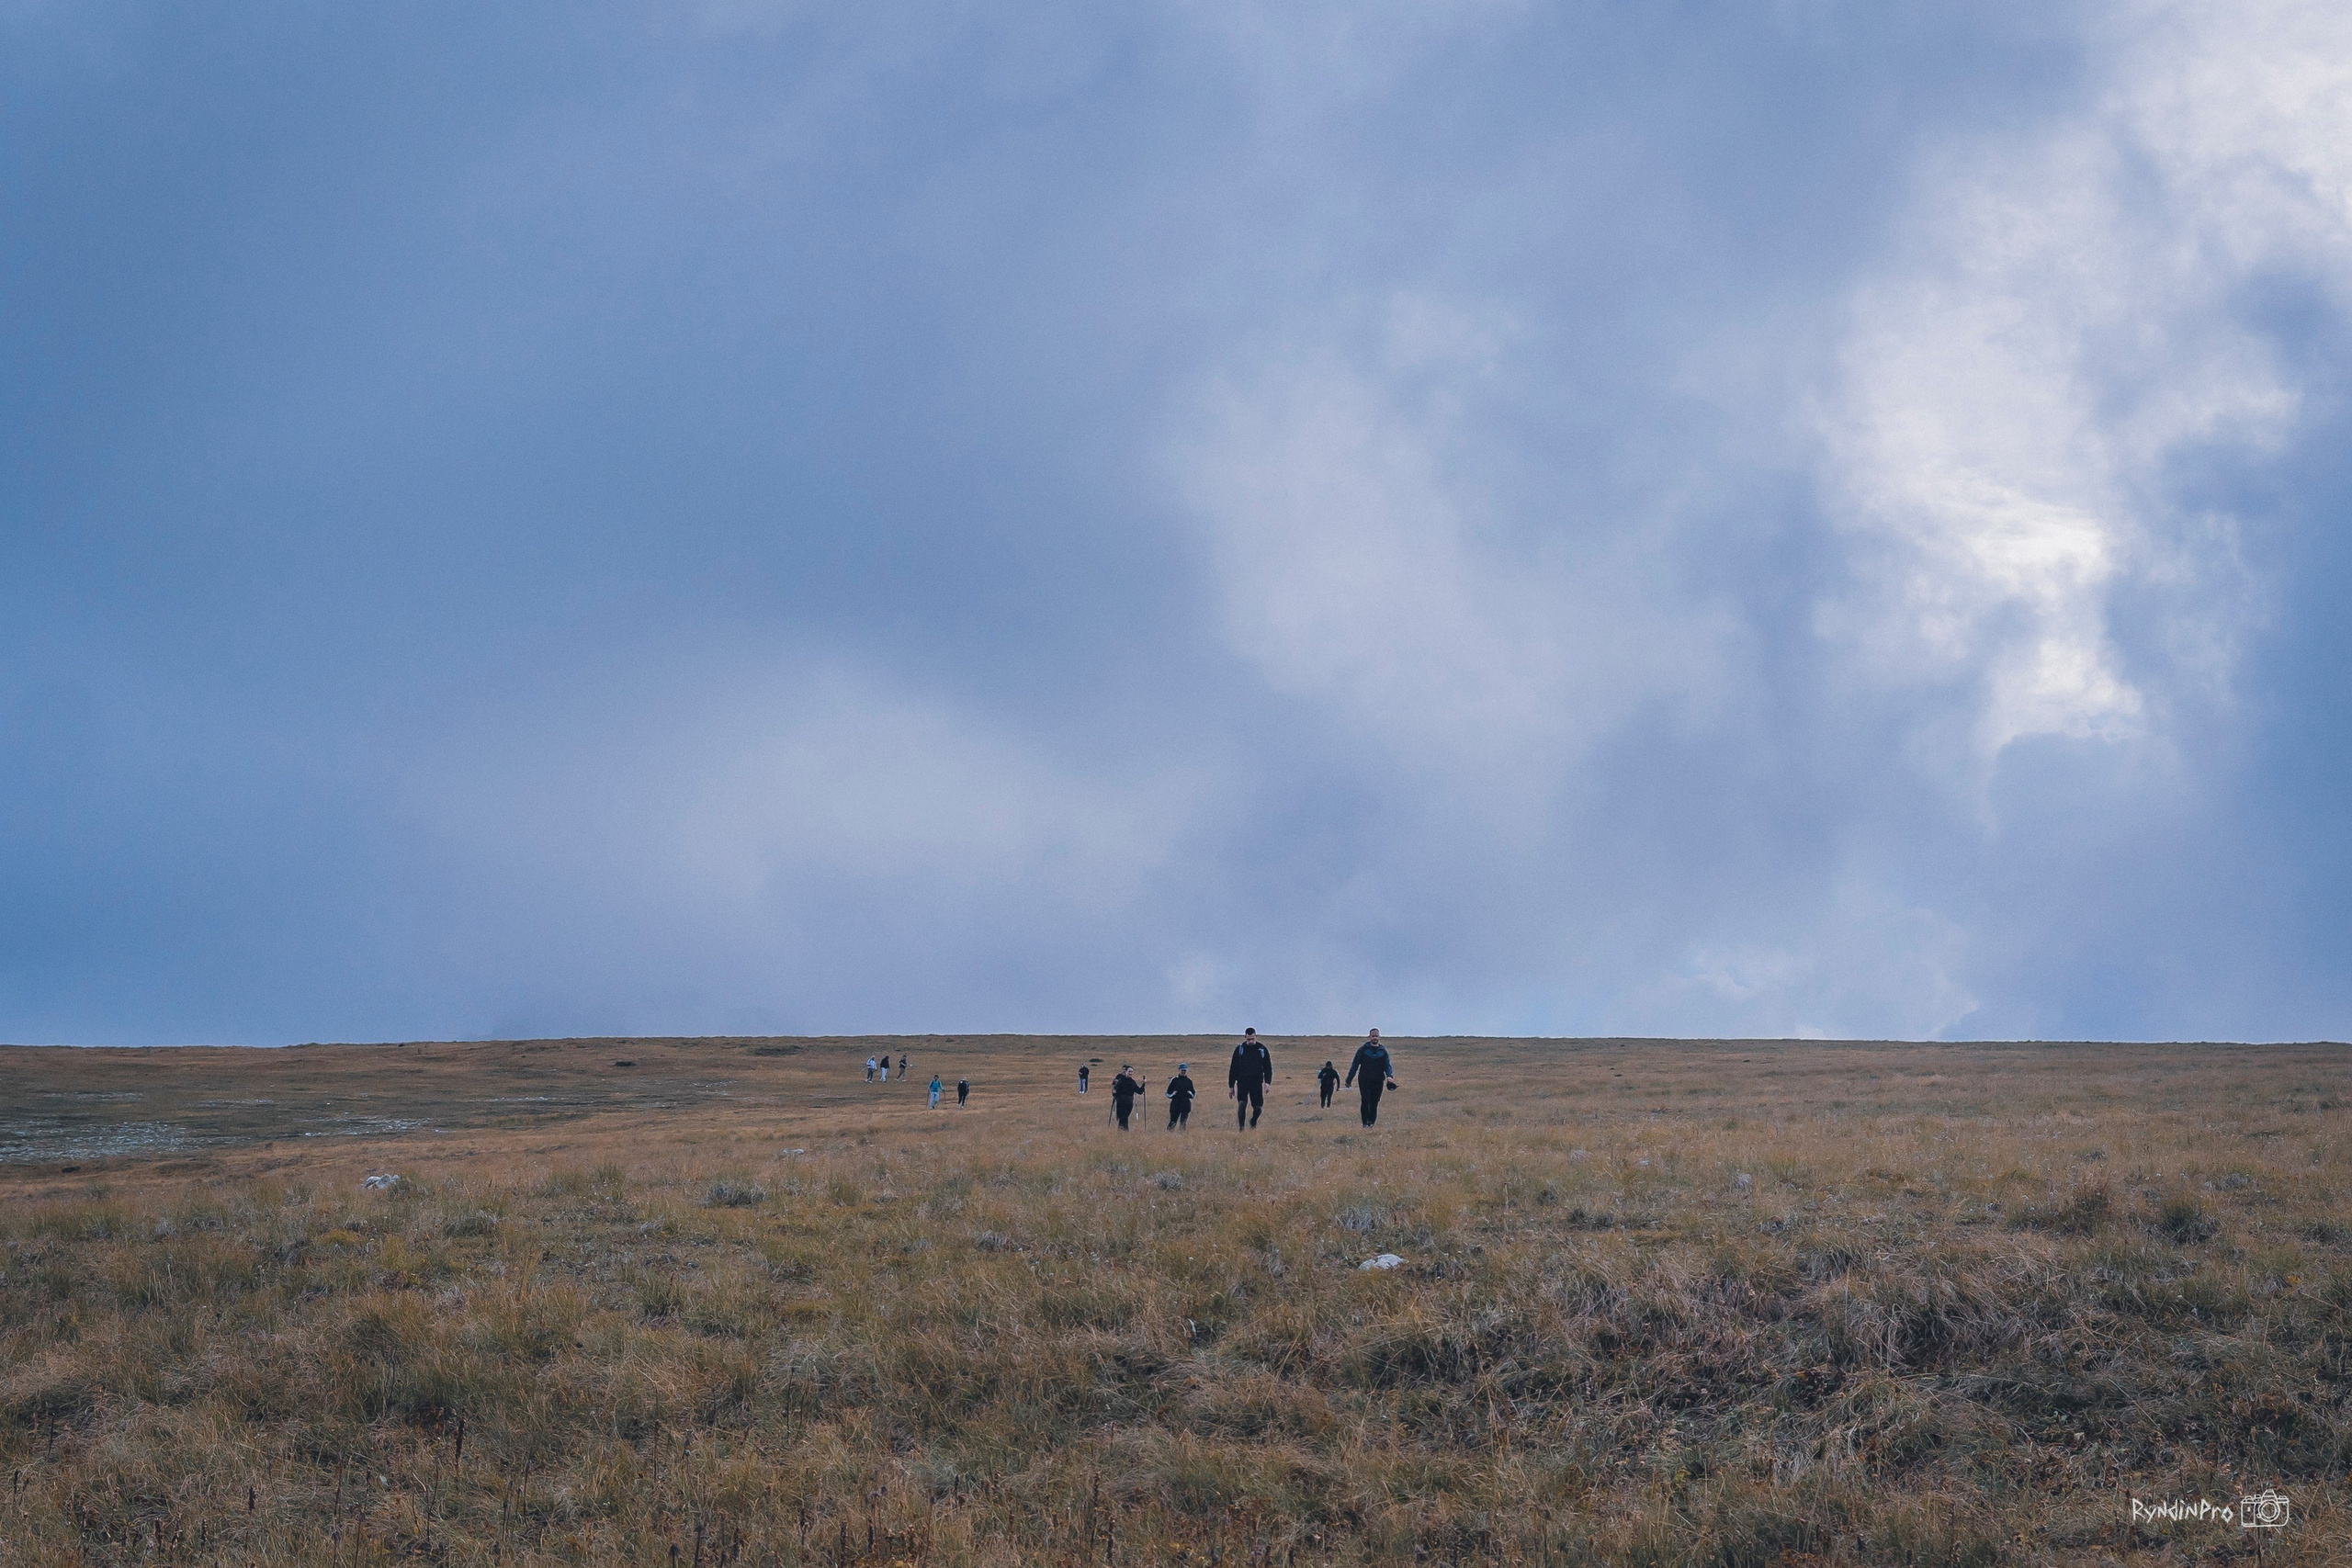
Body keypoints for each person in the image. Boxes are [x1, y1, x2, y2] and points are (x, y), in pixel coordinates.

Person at [1343, 1029, 1396, 1126]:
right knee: (1365, 1100)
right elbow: (1355, 1065)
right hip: (1364, 1080)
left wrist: (1389, 1076)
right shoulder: (1363, 1050)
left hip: (1378, 1080)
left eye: (1376, 1036)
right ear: (1369, 1037)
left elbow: (1387, 1065)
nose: (1375, 1038)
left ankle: (1371, 1123)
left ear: (1379, 1037)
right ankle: (1365, 1123)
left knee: (1375, 1102)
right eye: (1373, 1036)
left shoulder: (1383, 1051)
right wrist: (1349, 1080)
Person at [1227, 1028, 1273, 1130]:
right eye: (1248, 1039)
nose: (1251, 1041)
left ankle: (1253, 1120)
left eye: (1252, 1039)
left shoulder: (1262, 1049)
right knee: (1242, 1103)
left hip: (1256, 1083)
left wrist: (1267, 1083)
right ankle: (1241, 1128)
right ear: (1245, 1037)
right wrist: (1231, 1086)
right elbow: (1233, 1068)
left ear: (1256, 1037)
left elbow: (1268, 1067)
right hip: (1242, 1082)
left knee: (1258, 1108)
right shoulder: (1239, 1049)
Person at [1111, 1064, 1143, 1130]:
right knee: (1123, 1117)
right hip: (1121, 1102)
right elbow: (1116, 1091)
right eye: (1129, 1071)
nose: (1130, 1073)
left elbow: (1139, 1091)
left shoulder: (1132, 1082)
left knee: (1125, 1117)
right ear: (1126, 1072)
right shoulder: (1121, 1080)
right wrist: (1114, 1093)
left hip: (1129, 1102)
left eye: (1132, 1071)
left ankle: (1121, 1130)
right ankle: (1124, 1130)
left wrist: (1143, 1084)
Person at [1166, 1063, 1196, 1130]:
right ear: (1179, 1070)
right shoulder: (1174, 1080)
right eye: (1182, 1070)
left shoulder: (1189, 1081)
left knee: (1183, 1123)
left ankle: (1182, 1136)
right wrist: (1172, 1094)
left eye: (1185, 1071)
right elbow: (1167, 1093)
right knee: (1173, 1122)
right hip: (1175, 1105)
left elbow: (1193, 1094)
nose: (1183, 1072)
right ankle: (1169, 1135)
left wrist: (1189, 1093)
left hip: (1185, 1105)